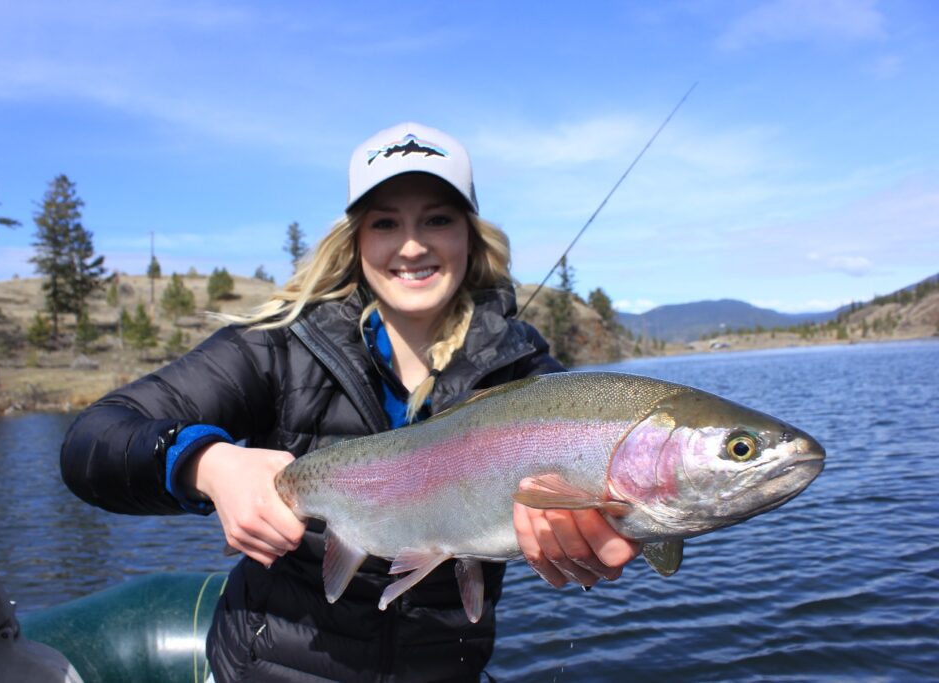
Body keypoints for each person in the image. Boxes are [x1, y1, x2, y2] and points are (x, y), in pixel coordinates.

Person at [61, 122, 638, 682]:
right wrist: (204, 464)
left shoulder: (524, 369)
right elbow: (96, 437)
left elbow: (614, 501)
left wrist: (606, 533)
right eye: (386, 223)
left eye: (437, 219)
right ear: (357, 239)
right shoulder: (279, 345)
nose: (412, 245)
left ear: (469, 234)